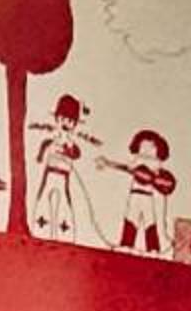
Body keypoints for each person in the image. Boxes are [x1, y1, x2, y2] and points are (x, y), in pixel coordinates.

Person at [30, 94, 96, 240]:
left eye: (70, 121)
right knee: (44, 197)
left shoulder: (70, 142)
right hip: (50, 173)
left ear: (74, 124)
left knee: (64, 201)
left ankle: (64, 233)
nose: (66, 123)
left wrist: (67, 149)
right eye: (63, 119)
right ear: (57, 119)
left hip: (63, 176)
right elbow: (44, 146)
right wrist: (40, 155)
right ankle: (40, 230)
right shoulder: (52, 139)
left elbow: (76, 153)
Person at [107, 128, 178, 256]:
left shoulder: (154, 162)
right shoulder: (138, 159)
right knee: (131, 219)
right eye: (143, 146)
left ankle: (153, 249)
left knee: (150, 222)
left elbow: (131, 169)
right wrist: (109, 163)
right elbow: (128, 168)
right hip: (135, 194)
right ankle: (127, 244)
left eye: (151, 147)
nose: (146, 150)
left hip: (147, 196)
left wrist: (109, 164)